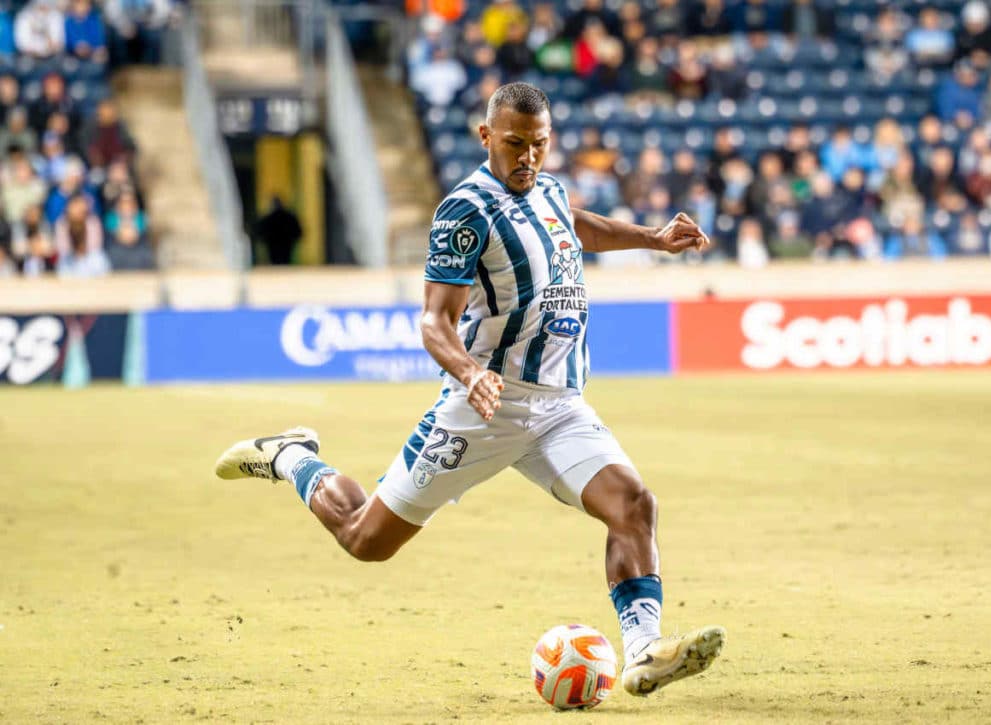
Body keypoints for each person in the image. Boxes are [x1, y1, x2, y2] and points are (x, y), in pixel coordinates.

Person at [214, 82, 724, 697]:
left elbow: (575, 225)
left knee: (633, 503)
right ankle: (292, 454)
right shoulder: (464, 211)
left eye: (538, 144)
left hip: (559, 406)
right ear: (486, 137)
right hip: (485, 405)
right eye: (514, 144)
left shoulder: (552, 191)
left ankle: (643, 650)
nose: (527, 157)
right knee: (366, 540)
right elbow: (434, 321)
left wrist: (651, 238)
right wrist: (469, 373)